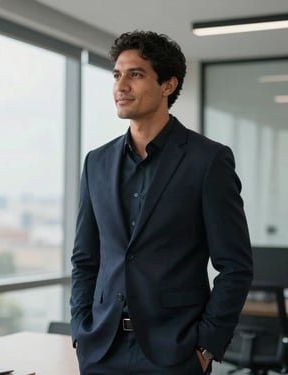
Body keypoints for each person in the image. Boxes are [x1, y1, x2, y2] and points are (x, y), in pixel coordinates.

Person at [70, 30, 253, 375]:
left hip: (175, 353)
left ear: (168, 85)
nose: (121, 85)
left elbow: (235, 266)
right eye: (117, 75)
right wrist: (81, 328)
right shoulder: (97, 162)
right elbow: (85, 258)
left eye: (135, 74)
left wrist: (206, 346)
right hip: (101, 350)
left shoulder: (208, 160)